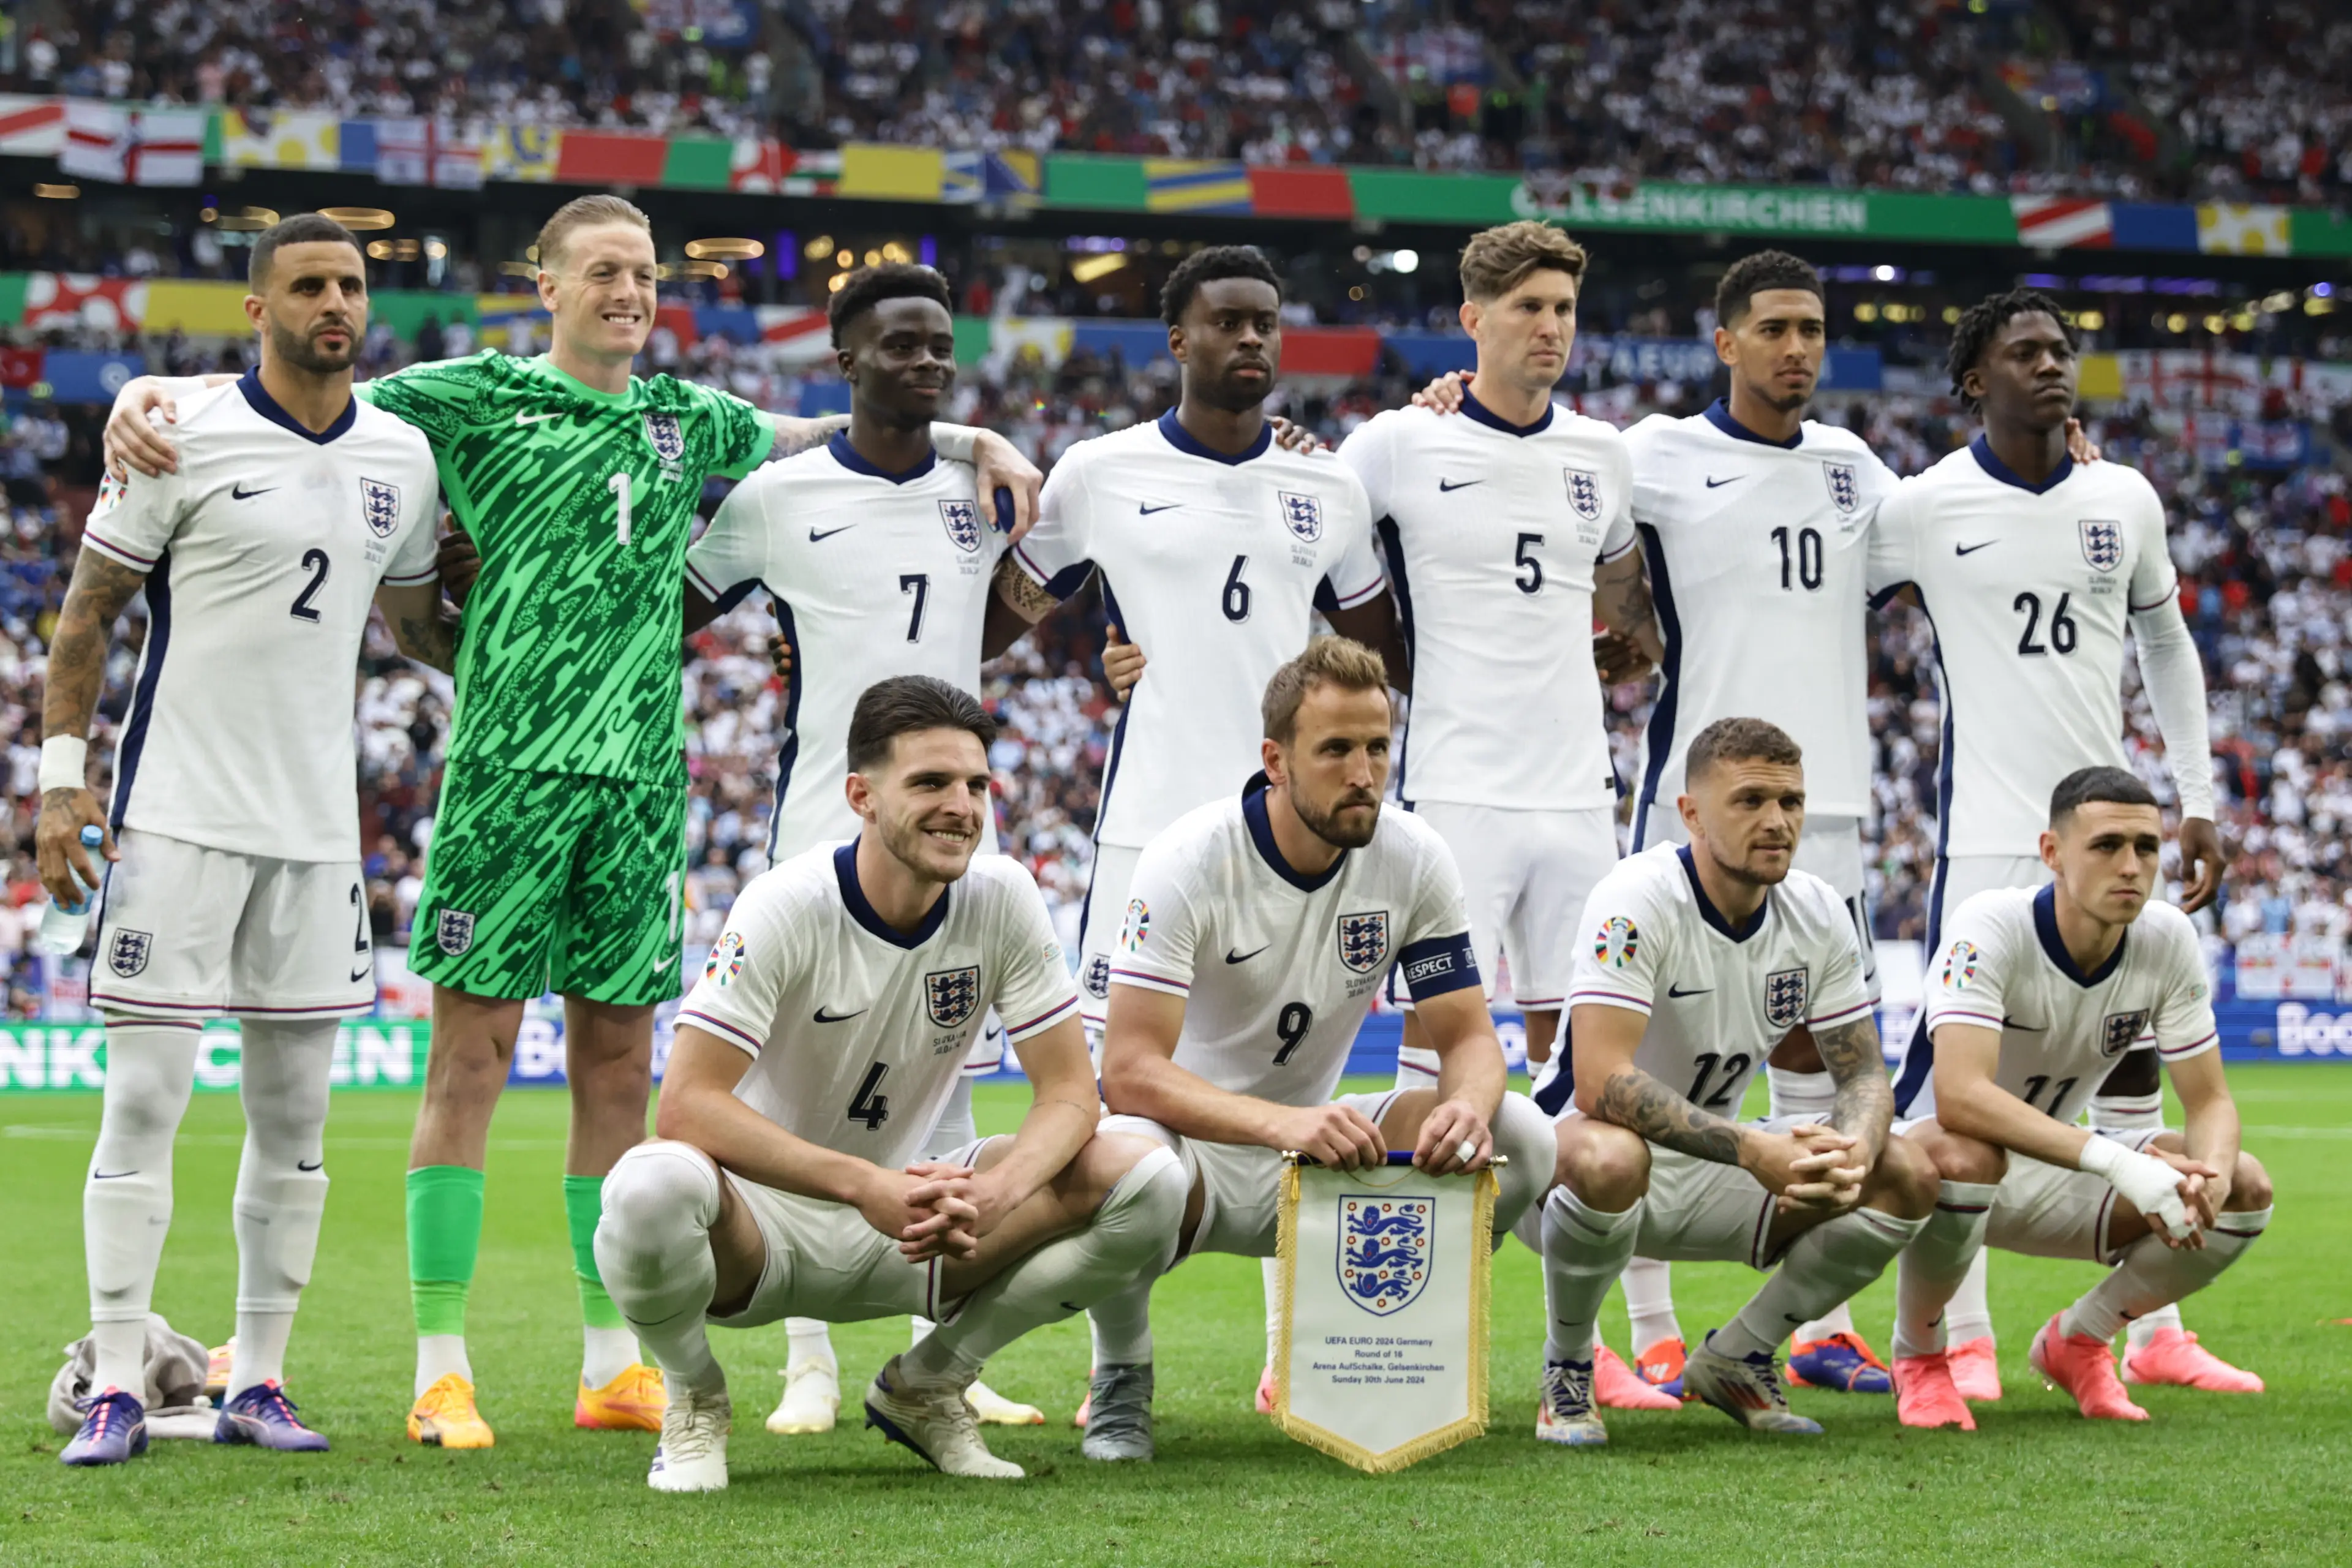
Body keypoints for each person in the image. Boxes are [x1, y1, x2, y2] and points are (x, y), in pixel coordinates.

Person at [104, 194, 1046, 1449]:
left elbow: (834, 421)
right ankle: (442, 1363)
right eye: (603, 269)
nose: (629, 291)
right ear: (542, 283)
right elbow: (315, 376)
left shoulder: (687, 418)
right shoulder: (473, 396)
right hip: (508, 775)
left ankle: (613, 1358)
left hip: (644, 788)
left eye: (645, 273)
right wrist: (158, 392)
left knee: (617, 1066)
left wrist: (980, 435)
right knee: (472, 1061)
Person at [45, 215, 451, 1464]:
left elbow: (421, 623)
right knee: (146, 1100)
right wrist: (64, 781)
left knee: (297, 1119)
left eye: (352, 284)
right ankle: (117, 1377)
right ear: (256, 307)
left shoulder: (404, 452)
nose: (336, 302)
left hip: (319, 835)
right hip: (179, 814)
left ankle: (255, 1379)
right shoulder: (177, 428)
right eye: (309, 285)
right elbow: (87, 617)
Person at [986, 246, 1404, 1425]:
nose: (1252, 340)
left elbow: (1390, 654)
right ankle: (1121, 1373)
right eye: (1226, 321)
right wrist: (1099, 649)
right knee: (1131, 1116)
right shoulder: (1097, 473)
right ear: (1177, 340)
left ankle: (1300, 1362)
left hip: (1300, 840)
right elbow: (999, 620)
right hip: (1147, 835)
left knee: (1300, 1082)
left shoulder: (1329, 492)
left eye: (1267, 320)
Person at [592, 676, 1186, 1488]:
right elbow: (687, 1103)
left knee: (1146, 1173)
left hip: (922, 1224)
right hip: (762, 1233)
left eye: (977, 784)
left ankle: (931, 1382)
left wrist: (1001, 1190)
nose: (963, 806)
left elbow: (1072, 1094)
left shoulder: (1003, 896)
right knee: (645, 1186)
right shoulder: (785, 905)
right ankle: (694, 1394)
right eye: (931, 783)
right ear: (861, 797)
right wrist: (861, 1182)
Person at [677, 262, 1063, 1434]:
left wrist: (981, 439)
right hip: (819, 840)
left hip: (939, 828)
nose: (927, 362)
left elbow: (994, 618)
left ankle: (937, 1354)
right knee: (804, 1101)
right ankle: (805, 1367)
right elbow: (676, 607)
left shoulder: (974, 484)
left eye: (941, 345)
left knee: (943, 1090)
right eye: (900, 345)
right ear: (846, 360)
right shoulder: (778, 497)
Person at [1866, 288, 2247, 1398]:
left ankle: (2149, 1331)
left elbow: (2168, 647)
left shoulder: (2124, 497)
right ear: (1972, 378)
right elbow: (1825, 590)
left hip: (2111, 822)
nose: (2051, 364)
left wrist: (2197, 799)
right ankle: (1962, 1335)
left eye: (2062, 348)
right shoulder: (1923, 505)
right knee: (1955, 1085)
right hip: (1989, 836)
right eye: (2023, 351)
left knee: (2134, 1052)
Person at [1330, 220, 1668, 1415]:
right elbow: (1310, 555)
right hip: (1456, 800)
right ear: (1470, 319)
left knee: (1590, 1088)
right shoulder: (1394, 445)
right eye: (1527, 306)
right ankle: (1417, 1336)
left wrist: (1630, 645)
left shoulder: (1603, 456)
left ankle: (1595, 1341)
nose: (1552, 327)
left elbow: (1632, 615)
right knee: (1441, 1083)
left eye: (1566, 308)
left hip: (1581, 800)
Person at [1082, 638, 1557, 1461]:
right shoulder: (1187, 858)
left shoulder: (1413, 856)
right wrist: (1283, 1126)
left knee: (1523, 1135)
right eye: (1336, 749)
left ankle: (1367, 1359)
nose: (1364, 772)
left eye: (1377, 746)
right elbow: (1125, 1073)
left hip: (1319, 1150)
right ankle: (1121, 1375)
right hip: (1186, 1146)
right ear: (1277, 759)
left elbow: (1473, 1039)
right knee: (1132, 1168)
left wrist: (1467, 1110)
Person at [1531, 717, 1935, 1445]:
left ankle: (1739, 1355)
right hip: (1570, 1172)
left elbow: (1865, 1072)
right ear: (1691, 813)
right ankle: (1568, 1364)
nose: (1777, 821)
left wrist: (1857, 1148)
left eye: (1792, 801)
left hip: (1712, 1163)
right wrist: (1753, 1148)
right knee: (1610, 1154)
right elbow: (1597, 1082)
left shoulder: (1817, 909)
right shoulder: (1638, 896)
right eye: (1750, 801)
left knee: (1904, 1169)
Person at [1887, 767, 2271, 1428]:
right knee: (1963, 1152)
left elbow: (2210, 1101)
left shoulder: (2167, 936)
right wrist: (2125, 1165)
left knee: (2243, 1184)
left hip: (2057, 1167)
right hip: (1924, 1179)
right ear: (2052, 853)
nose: (2131, 866)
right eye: (2106, 845)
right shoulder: (1990, 923)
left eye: (2147, 847)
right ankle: (1920, 1356)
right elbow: (1959, 1097)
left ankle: (2080, 1339)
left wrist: (2206, 1176)